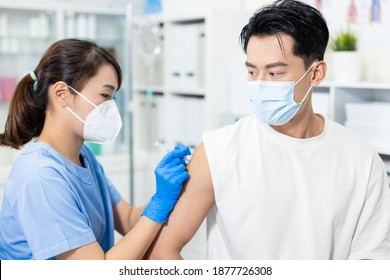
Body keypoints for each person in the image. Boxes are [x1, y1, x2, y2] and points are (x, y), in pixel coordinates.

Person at [145, 0, 390, 260]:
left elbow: (372, 263)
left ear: (316, 73)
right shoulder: (219, 152)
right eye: (252, 72)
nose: (259, 85)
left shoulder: (361, 161)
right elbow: (162, 250)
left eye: (274, 74)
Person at [0, 38, 190, 260]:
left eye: (114, 97)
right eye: (105, 95)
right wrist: (160, 203)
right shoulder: (40, 176)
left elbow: (128, 220)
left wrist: (166, 192)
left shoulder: (83, 156)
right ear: (61, 93)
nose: (112, 108)